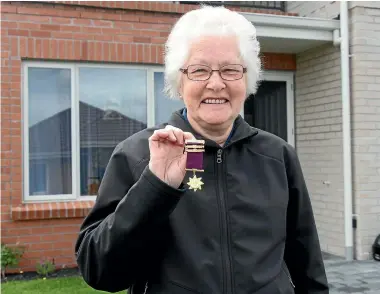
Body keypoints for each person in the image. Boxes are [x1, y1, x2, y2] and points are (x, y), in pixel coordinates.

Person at [75, 5, 329, 294]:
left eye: (231, 70)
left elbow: (307, 264)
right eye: (200, 70)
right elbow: (99, 271)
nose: (216, 83)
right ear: (179, 80)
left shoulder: (277, 156)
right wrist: (155, 186)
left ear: (247, 80)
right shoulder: (138, 155)